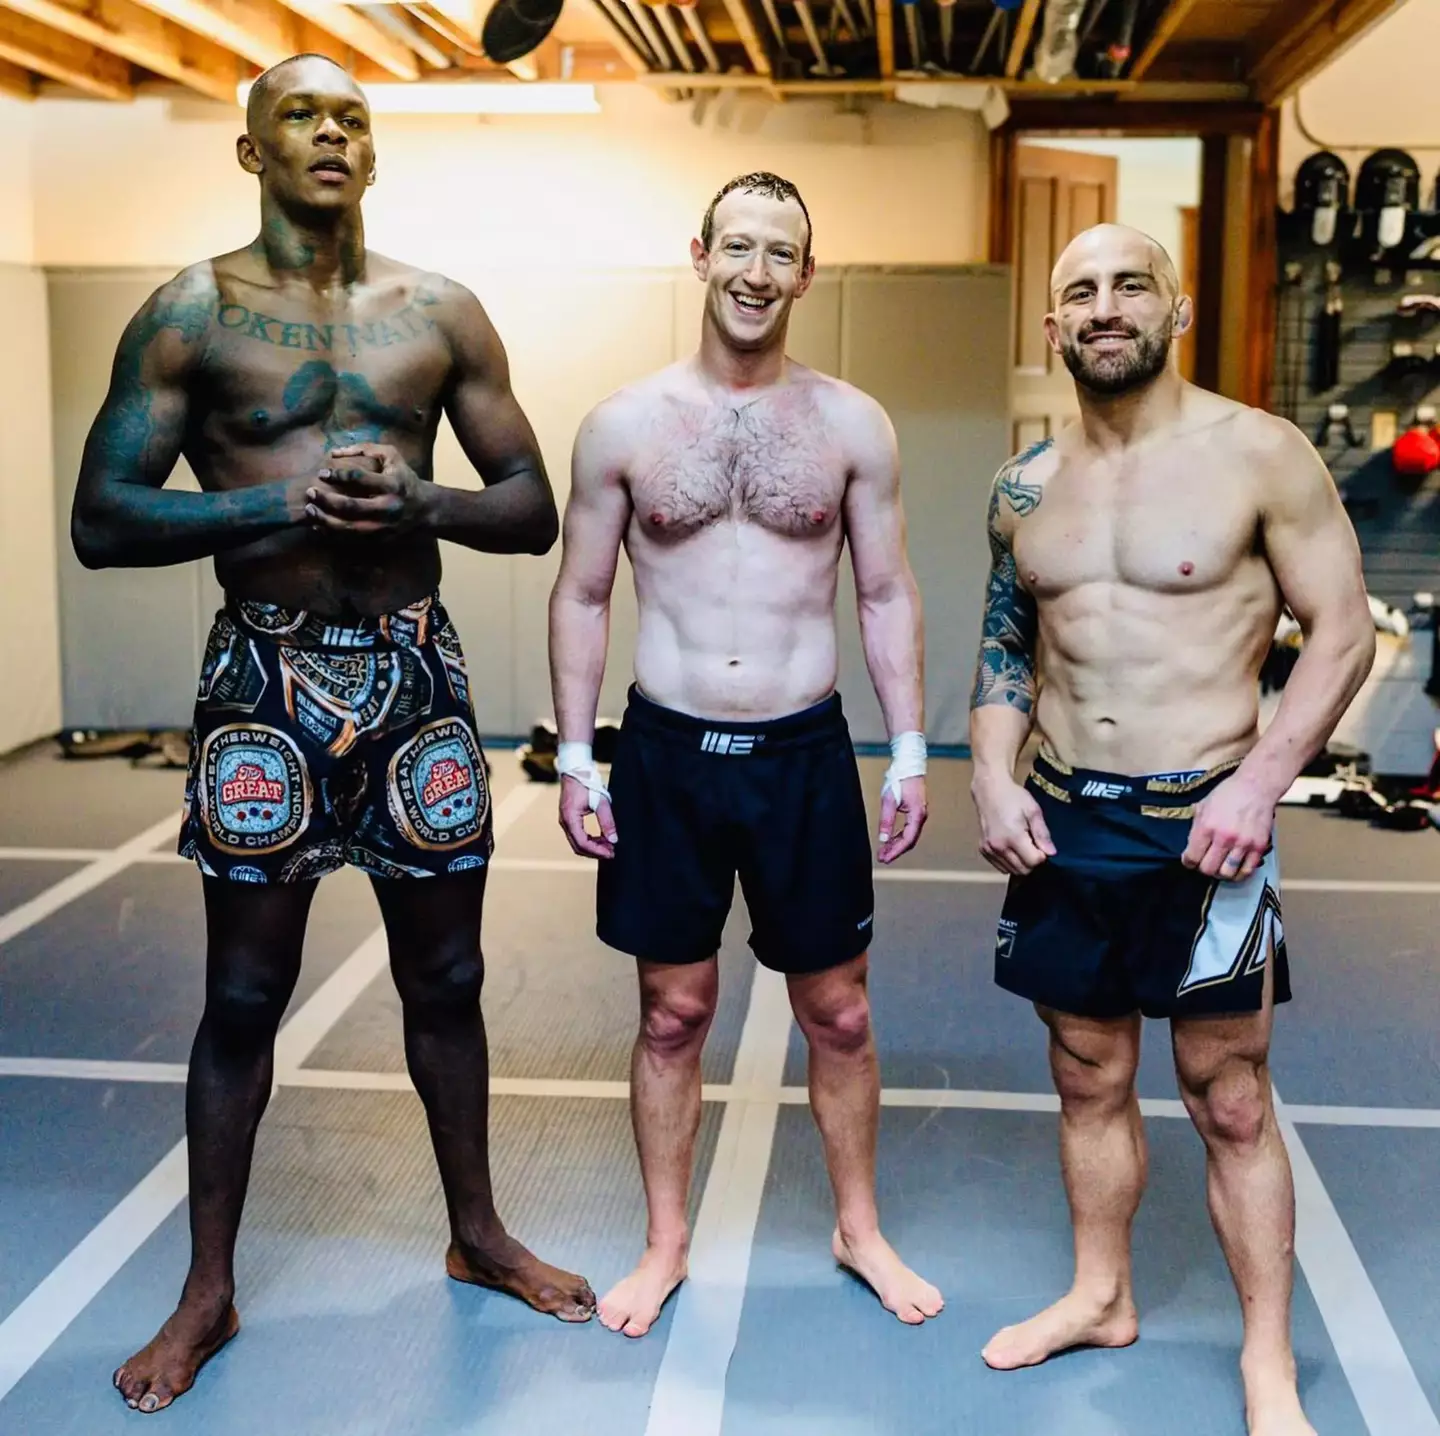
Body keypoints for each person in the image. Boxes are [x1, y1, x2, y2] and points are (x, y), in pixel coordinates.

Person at [71, 53, 595, 1415]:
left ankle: (478, 1233)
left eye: (350, 117)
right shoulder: (189, 314)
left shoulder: (441, 311)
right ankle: (207, 1291)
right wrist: (279, 506)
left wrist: (418, 502)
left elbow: (530, 503)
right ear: (251, 152)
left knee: (452, 982)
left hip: (417, 672)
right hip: (267, 678)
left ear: (375, 153)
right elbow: (105, 519)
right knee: (243, 997)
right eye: (298, 114)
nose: (327, 133)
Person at [969, 223, 1374, 1435]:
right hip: (1065, 821)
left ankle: (1266, 1363)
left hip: (1208, 826)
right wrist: (992, 776)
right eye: (1079, 290)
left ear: (1175, 309)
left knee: (1230, 1093)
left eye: (1129, 284)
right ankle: (1101, 1293)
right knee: (1087, 1072)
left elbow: (1342, 629)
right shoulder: (1024, 484)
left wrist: (1260, 785)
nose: (1104, 306)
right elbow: (1004, 652)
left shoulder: (1261, 453)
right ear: (1053, 323)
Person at [547, 172, 942, 1338]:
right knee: (673, 1011)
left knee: (842, 1012)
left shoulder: (852, 423)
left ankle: (858, 1224)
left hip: (803, 753)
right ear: (702, 253)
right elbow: (579, 593)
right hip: (667, 752)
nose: (757, 271)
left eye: (782, 253)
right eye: (739, 247)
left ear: (806, 274)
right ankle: (665, 1241)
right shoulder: (622, 422)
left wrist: (911, 750)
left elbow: (883, 590)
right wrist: (578, 758)